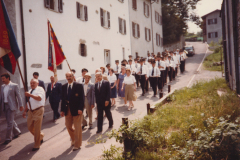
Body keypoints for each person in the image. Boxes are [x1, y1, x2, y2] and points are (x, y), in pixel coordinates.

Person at [61, 72, 84, 151]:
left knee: (77, 128)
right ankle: (73, 139)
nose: (68, 78)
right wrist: (61, 110)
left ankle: (77, 145)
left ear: (73, 76)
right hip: (67, 109)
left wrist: (80, 108)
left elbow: (82, 98)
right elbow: (63, 99)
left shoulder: (78, 86)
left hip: (77, 109)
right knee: (68, 126)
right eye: (67, 76)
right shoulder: (64, 86)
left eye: (70, 76)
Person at [0, 73, 24, 145]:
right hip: (5, 106)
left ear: (8, 78)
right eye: (2, 79)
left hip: (11, 106)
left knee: (9, 123)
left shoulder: (14, 86)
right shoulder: (2, 86)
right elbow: (1, 97)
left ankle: (8, 138)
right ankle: (17, 132)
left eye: (3, 78)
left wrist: (21, 105)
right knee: (10, 120)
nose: (2, 80)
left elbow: (18, 96)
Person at [23, 78, 45, 151]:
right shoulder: (30, 90)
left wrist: (30, 95)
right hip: (30, 111)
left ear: (37, 83)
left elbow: (39, 98)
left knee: (37, 127)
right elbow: (28, 102)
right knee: (29, 127)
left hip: (38, 110)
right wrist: (24, 111)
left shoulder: (40, 89)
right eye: (31, 83)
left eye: (33, 83)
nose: (32, 84)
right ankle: (41, 136)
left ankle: (37, 144)